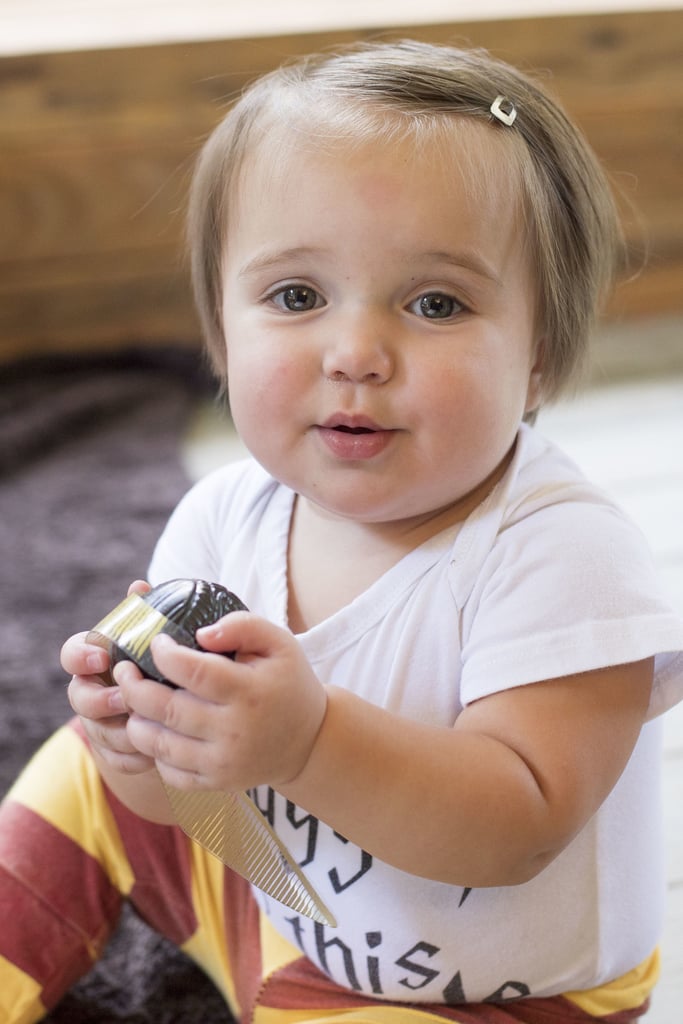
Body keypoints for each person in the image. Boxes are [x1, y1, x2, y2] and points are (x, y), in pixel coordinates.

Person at [1, 39, 682, 1024]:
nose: (355, 352)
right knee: (72, 768)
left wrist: (308, 739)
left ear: (536, 356)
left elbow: (516, 827)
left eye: (434, 303)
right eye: (295, 297)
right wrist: (143, 750)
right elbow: (174, 806)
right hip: (278, 908)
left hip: (490, 995)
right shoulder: (218, 517)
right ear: (219, 334)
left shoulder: (559, 555)